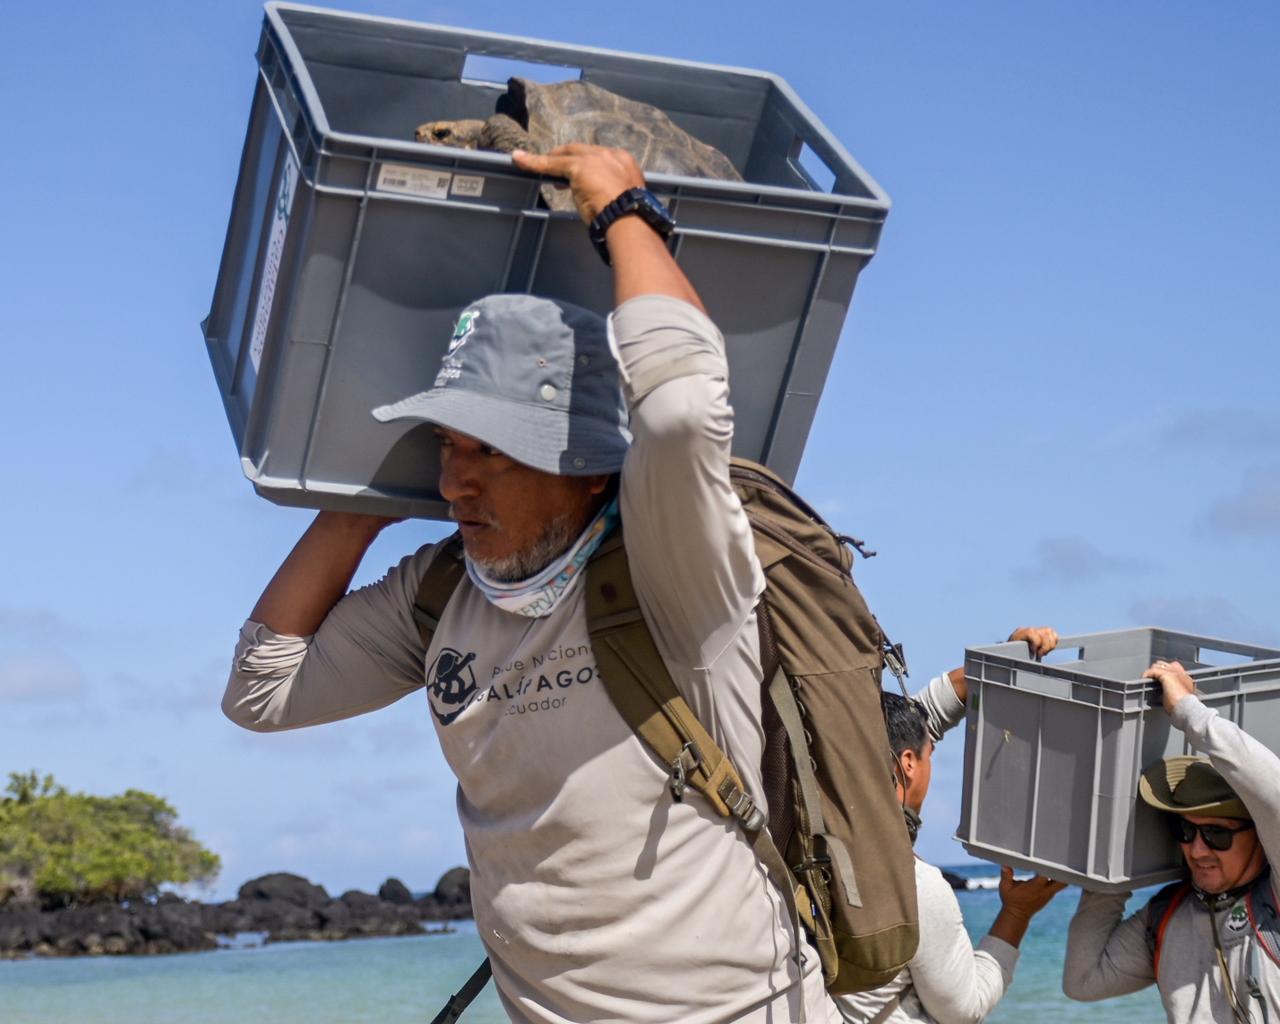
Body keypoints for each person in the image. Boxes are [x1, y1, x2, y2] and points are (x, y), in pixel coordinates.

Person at [221, 144, 840, 1024]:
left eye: (492, 451)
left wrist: (625, 212)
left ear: (588, 467)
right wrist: (361, 503)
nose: (453, 484)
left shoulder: (675, 566)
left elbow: (679, 412)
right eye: (446, 445)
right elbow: (260, 693)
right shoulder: (442, 592)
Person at [838, 627, 1067, 1024]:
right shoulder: (915, 888)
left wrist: (1000, 663)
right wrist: (1017, 913)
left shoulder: (808, 835)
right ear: (908, 763)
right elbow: (964, 1009)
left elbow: (908, 726)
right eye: (930, 752)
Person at [1063, 659, 1280, 1023]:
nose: (1197, 849)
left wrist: (1188, 711)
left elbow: (1273, 792)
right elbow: (1083, 981)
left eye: (1217, 834)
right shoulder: (1166, 917)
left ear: (1259, 833)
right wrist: (1112, 865)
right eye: (1185, 831)